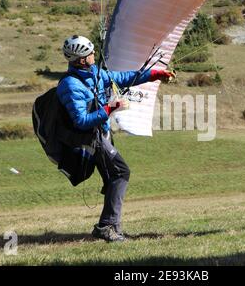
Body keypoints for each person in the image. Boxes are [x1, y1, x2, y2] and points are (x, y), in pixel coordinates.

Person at [57, 35, 174, 242]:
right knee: (120, 173)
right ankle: (107, 226)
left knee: (114, 177)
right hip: (91, 138)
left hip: (102, 134)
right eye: (90, 53)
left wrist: (154, 74)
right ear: (82, 60)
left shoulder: (96, 73)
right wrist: (110, 107)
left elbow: (123, 78)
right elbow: (81, 121)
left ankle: (112, 228)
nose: (94, 55)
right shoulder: (70, 86)